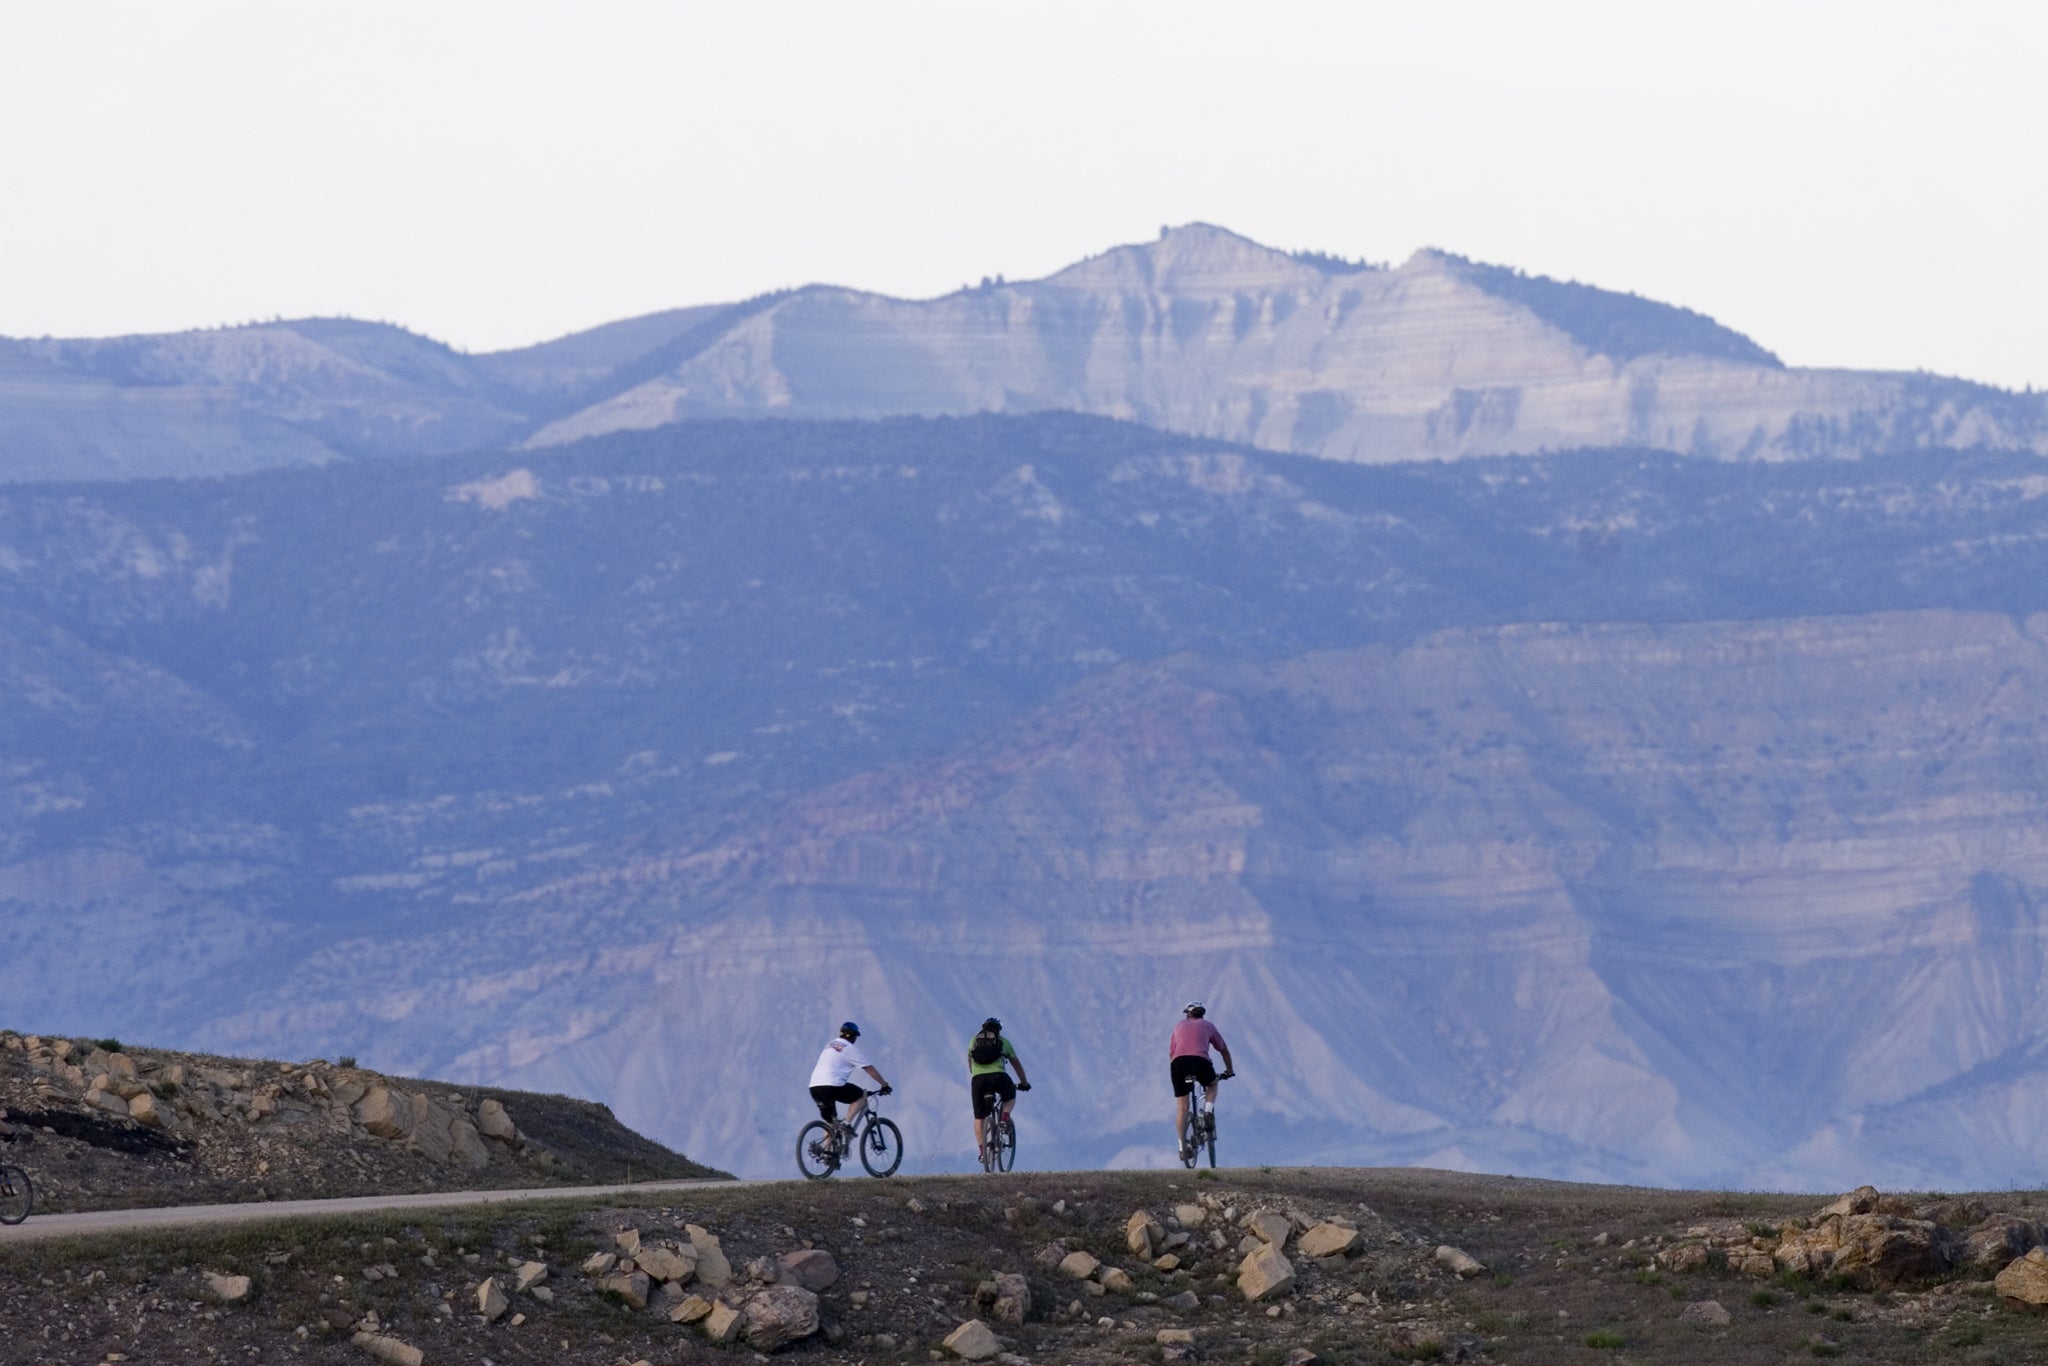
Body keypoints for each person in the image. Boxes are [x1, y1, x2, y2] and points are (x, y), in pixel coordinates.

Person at [809, 1021, 890, 1150]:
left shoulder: (830, 1045)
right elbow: (869, 1069)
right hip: (832, 1085)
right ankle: (846, 1124)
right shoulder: (849, 1048)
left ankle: (826, 1154)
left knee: (830, 1123)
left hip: (814, 1087)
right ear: (853, 1037)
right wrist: (884, 1084)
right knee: (861, 1095)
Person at [1170, 1002, 1234, 1161]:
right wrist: (1229, 1070)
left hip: (1178, 1064)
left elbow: (1172, 1053)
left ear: (1187, 1014)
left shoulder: (1178, 1026)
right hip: (1200, 1061)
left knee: (1182, 1109)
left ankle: (1182, 1149)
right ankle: (1207, 1110)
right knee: (1212, 1084)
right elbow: (1223, 1050)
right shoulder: (1208, 1025)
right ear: (1202, 1014)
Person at [968, 1016, 1030, 1162]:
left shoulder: (973, 1041)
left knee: (979, 1118)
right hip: (998, 1076)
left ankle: (983, 1152)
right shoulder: (1003, 1042)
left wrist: (978, 1076)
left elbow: (970, 1063)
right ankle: (1004, 1118)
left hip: (978, 1080)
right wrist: (1024, 1082)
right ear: (998, 1030)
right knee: (1009, 1096)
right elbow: (1016, 1064)